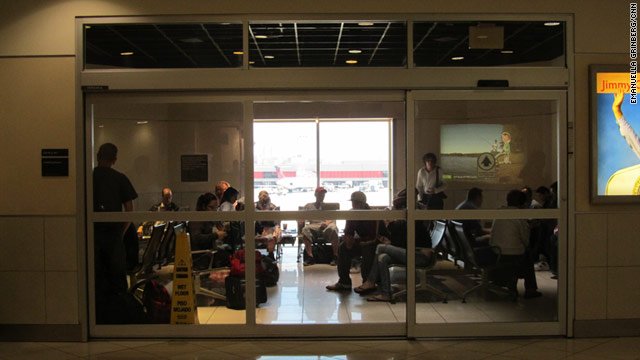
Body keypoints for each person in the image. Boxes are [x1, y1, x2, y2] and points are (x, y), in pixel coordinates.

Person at [351, 189, 435, 302]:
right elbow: (400, 241)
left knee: (380, 247)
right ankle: (386, 293)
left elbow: (403, 240)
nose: (395, 209)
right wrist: (388, 239)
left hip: (420, 256)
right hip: (409, 252)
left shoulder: (411, 219)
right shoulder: (403, 221)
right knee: (383, 257)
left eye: (397, 206)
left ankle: (370, 282)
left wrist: (390, 231)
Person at [92, 143, 138, 323]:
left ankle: (100, 317)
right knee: (117, 278)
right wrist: (121, 232)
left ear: (97, 156)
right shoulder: (119, 178)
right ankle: (119, 317)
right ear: (115, 159)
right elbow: (129, 210)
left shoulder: (89, 178)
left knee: (97, 276)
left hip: (94, 236)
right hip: (113, 236)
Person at [489, 189, 541, 299]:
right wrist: (528, 228)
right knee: (527, 255)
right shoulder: (520, 216)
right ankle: (530, 289)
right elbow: (526, 241)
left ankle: (512, 286)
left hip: (496, 251)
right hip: (513, 253)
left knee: (523, 254)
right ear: (522, 203)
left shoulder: (499, 212)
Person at [326, 191, 378, 292]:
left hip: (376, 243)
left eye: (356, 202)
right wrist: (348, 240)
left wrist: (358, 241)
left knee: (367, 249)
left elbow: (374, 237)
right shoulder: (352, 213)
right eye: (353, 202)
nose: (354, 205)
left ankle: (367, 283)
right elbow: (348, 232)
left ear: (363, 203)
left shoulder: (372, 214)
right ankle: (344, 282)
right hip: (363, 241)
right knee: (343, 247)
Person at [300, 187, 340, 266]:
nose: (322, 196)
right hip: (314, 224)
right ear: (315, 194)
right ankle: (310, 256)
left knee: (333, 228)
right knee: (305, 229)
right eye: (320, 194)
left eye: (323, 194)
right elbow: (301, 217)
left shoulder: (328, 206)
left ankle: (336, 256)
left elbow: (333, 218)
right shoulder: (309, 206)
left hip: (327, 223)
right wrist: (301, 221)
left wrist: (326, 223)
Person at [255, 190, 281, 259]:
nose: (264, 198)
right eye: (262, 196)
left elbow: (275, 221)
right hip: (258, 228)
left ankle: (271, 253)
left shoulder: (272, 206)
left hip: (270, 227)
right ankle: (271, 253)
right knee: (271, 233)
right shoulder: (254, 205)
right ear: (258, 197)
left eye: (265, 196)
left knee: (275, 230)